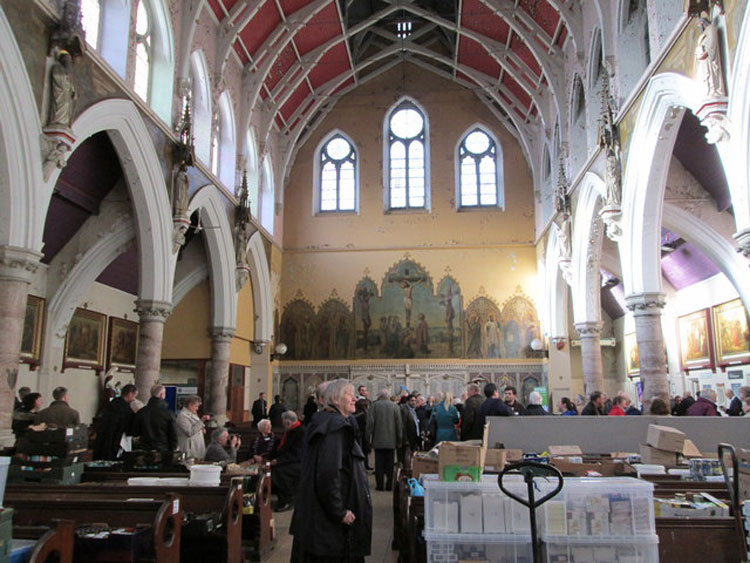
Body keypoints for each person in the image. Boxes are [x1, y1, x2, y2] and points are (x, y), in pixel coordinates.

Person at [290, 379, 372, 563]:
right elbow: (328, 474)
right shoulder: (334, 428)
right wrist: (339, 511)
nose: (355, 398)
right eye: (350, 394)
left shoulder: (329, 422)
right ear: (335, 399)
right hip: (328, 526)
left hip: (321, 522)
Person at [267, 411, 305, 511]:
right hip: (290, 460)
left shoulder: (301, 432)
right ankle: (278, 497)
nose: (283, 426)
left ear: (288, 422)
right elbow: (282, 448)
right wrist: (268, 457)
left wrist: (278, 460)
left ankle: (288, 500)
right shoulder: (292, 430)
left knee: (280, 471)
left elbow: (296, 453)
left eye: (284, 423)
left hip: (299, 462)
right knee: (271, 469)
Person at [366, 388, 402, 491]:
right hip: (391, 440)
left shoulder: (374, 406)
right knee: (390, 464)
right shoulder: (395, 406)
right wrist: (399, 440)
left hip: (378, 440)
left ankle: (380, 485)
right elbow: (399, 425)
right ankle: (389, 485)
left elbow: (370, 424)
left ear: (379, 396)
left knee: (379, 464)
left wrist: (367, 438)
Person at [132, 384, 178, 458]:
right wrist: (173, 449)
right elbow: (173, 433)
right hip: (163, 448)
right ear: (161, 395)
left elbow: (135, 432)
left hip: (145, 448)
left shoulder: (141, 412)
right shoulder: (168, 413)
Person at [93, 384, 137, 460]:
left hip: (103, 439)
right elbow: (130, 428)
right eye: (134, 395)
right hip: (117, 440)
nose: (134, 398)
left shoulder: (111, 404)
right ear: (130, 394)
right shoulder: (125, 410)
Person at [176, 395, 211, 460]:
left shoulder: (193, 413)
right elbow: (189, 432)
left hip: (197, 447)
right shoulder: (182, 416)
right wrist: (202, 421)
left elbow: (196, 426)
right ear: (190, 405)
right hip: (190, 449)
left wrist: (201, 429)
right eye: (196, 406)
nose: (197, 408)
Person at [399, 393, 420, 467]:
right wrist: (405, 439)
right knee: (406, 457)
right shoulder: (404, 410)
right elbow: (403, 425)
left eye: (415, 400)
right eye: (412, 400)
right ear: (407, 401)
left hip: (414, 436)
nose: (414, 402)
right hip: (408, 436)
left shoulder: (413, 410)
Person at [354, 398, 373, 470]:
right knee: (364, 451)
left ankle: (365, 465)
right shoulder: (363, 415)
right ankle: (364, 465)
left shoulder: (356, 414)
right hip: (363, 435)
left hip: (359, 435)